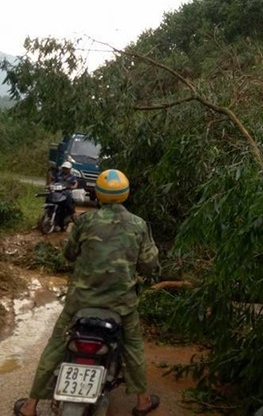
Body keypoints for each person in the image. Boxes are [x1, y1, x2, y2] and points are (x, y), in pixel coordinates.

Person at [14, 169, 161, 416]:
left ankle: (30, 406)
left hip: (80, 302)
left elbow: (69, 254)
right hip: (121, 304)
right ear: (125, 194)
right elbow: (149, 265)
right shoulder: (138, 225)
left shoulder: (84, 222)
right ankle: (143, 401)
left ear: (99, 194)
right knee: (133, 347)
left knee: (56, 344)